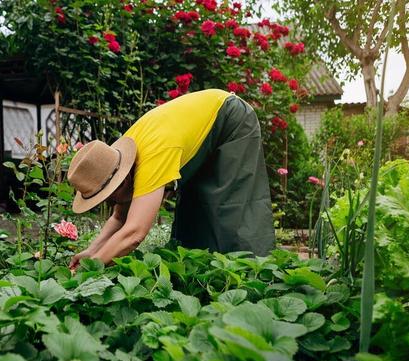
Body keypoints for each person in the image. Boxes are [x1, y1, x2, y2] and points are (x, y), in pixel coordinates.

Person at [67, 89, 275, 270]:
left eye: (110, 196)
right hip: (197, 130)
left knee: (231, 209)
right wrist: (92, 252)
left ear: (123, 180)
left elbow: (134, 233)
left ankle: (254, 275)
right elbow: (120, 218)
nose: (112, 203)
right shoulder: (119, 161)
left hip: (232, 119)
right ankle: (203, 278)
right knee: (195, 211)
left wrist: (93, 268)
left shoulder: (153, 158)